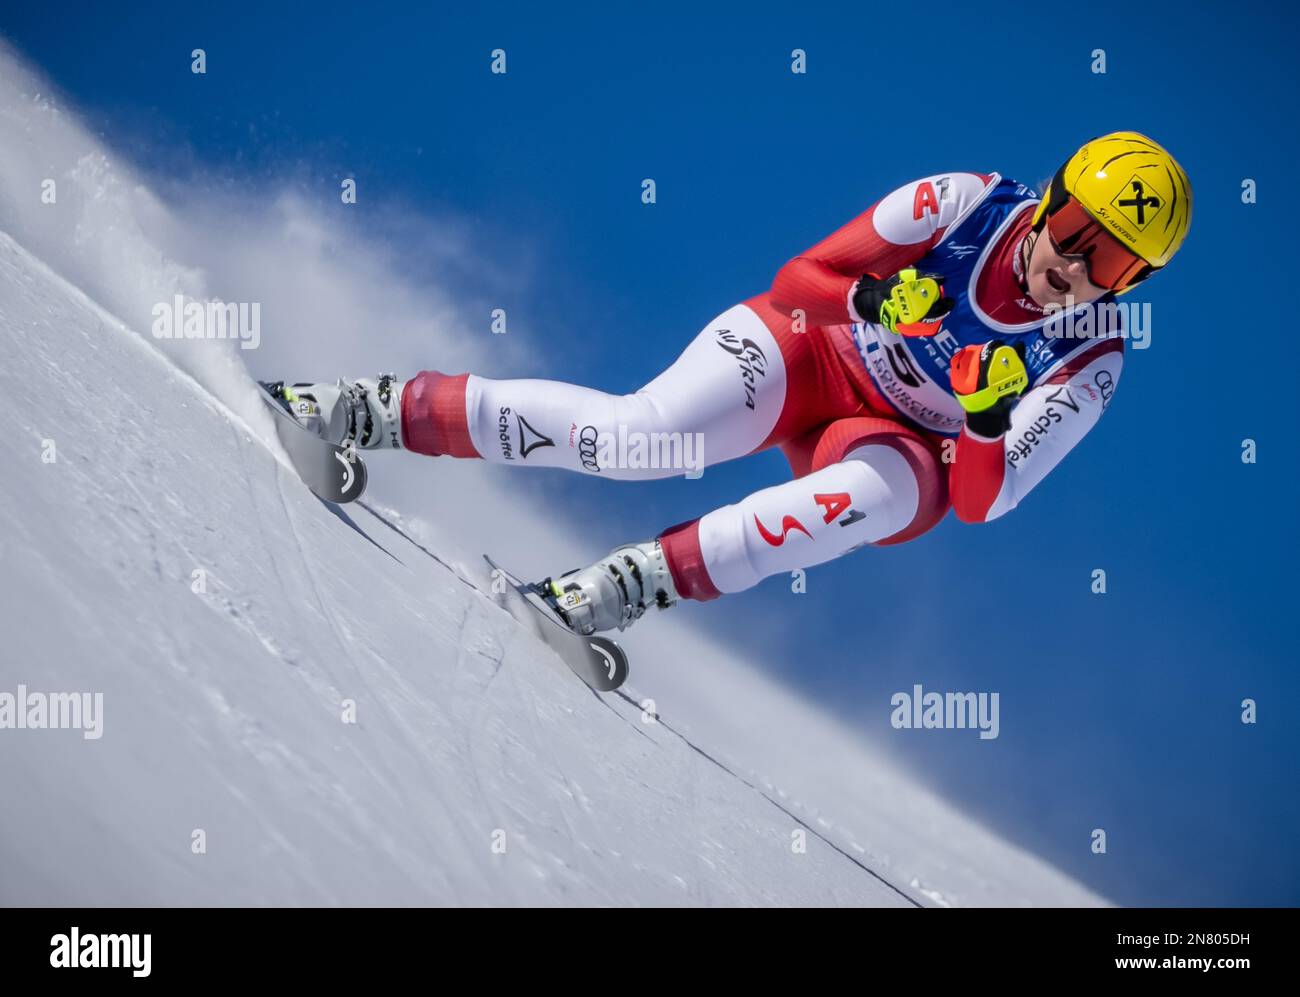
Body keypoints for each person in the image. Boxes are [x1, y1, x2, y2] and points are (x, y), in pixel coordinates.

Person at [278, 131, 1191, 636]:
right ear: (1048, 195)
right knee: (638, 439)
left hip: (898, 443)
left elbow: (983, 503)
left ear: (1130, 286)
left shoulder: (1088, 357)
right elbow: (801, 281)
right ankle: (372, 409)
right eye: (1073, 225)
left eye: (1109, 261)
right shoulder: (961, 204)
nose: (1071, 264)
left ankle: (627, 586)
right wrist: (876, 299)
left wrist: (988, 416)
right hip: (815, 348)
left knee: (865, 502)